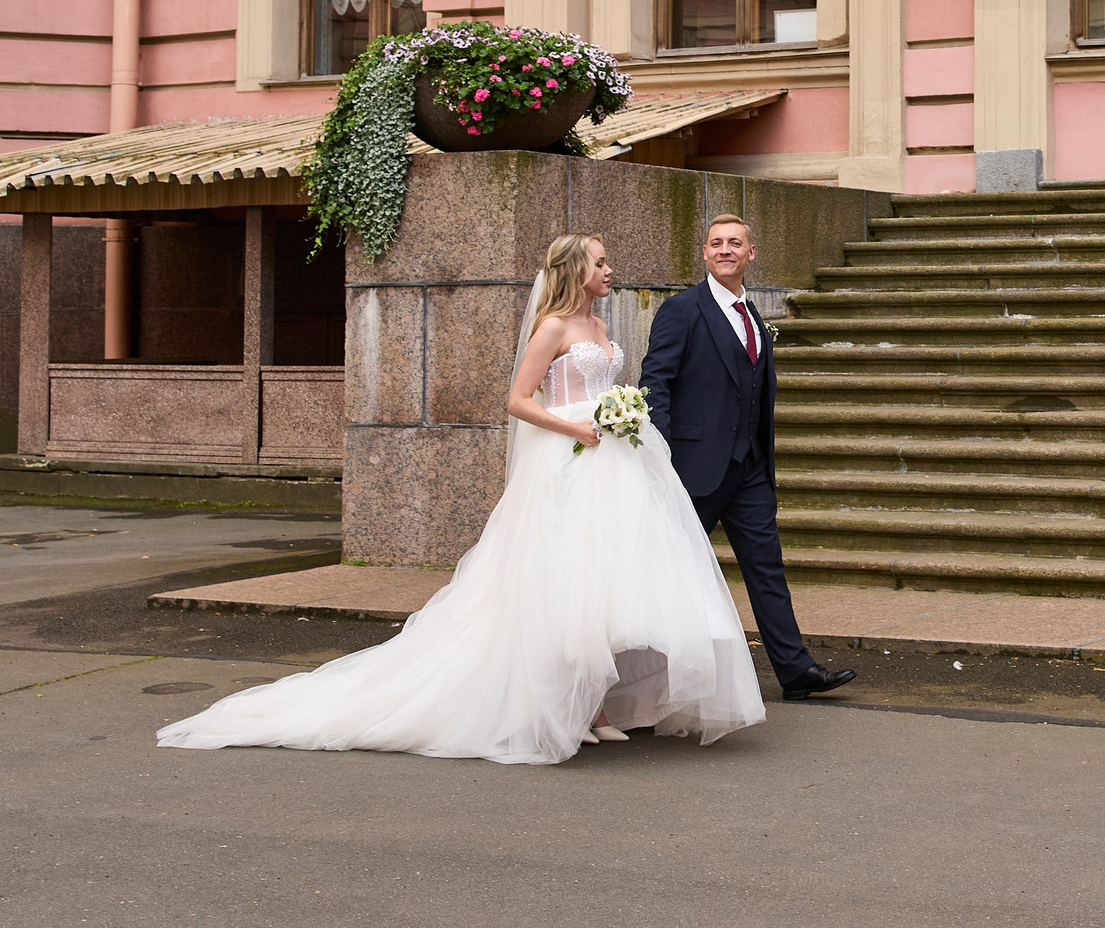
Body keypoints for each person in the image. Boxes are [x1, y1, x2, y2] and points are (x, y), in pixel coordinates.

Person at [154, 233, 765, 765]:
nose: (610, 272)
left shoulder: (602, 327)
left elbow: (605, 383)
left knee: (604, 588)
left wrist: (621, 415)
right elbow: (519, 401)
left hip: (617, 462)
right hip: (570, 459)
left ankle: (598, 706)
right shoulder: (551, 327)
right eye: (601, 263)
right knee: (561, 585)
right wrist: (578, 427)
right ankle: (566, 708)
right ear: (576, 269)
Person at [640, 213, 855, 702]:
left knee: (766, 568)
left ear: (750, 253)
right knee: (665, 570)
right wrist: (664, 456)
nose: (724, 250)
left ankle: (796, 671)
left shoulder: (753, 316)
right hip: (694, 469)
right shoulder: (682, 310)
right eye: (715, 243)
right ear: (704, 253)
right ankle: (638, 673)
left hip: (750, 467)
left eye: (734, 243)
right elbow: (655, 384)